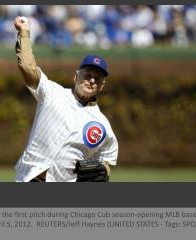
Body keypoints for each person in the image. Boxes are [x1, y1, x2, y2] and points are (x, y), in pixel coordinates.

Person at [13, 16, 118, 182]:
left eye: (97, 78)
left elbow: (108, 157)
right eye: (88, 75)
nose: (91, 80)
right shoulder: (53, 92)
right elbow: (27, 67)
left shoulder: (102, 124)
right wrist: (24, 33)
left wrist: (105, 169)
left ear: (102, 86)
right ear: (76, 76)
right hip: (29, 178)